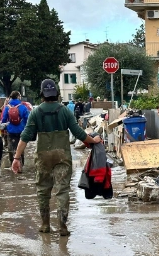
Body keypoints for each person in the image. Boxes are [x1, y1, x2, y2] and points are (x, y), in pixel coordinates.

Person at [12, 79, 101, 236]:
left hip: (43, 157)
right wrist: (93, 140)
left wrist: (16, 158)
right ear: (57, 94)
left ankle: (45, 224)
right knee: (63, 190)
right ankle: (62, 226)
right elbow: (79, 133)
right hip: (62, 157)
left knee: (42, 190)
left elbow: (24, 137)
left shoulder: (36, 112)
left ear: (42, 95)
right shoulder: (65, 111)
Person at [1, 90, 30, 171]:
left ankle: (13, 165)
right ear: (18, 96)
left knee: (11, 147)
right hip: (21, 130)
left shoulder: (7, 107)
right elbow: (27, 119)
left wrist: (4, 128)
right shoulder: (23, 107)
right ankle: (21, 165)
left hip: (11, 130)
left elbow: (3, 119)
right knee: (20, 146)